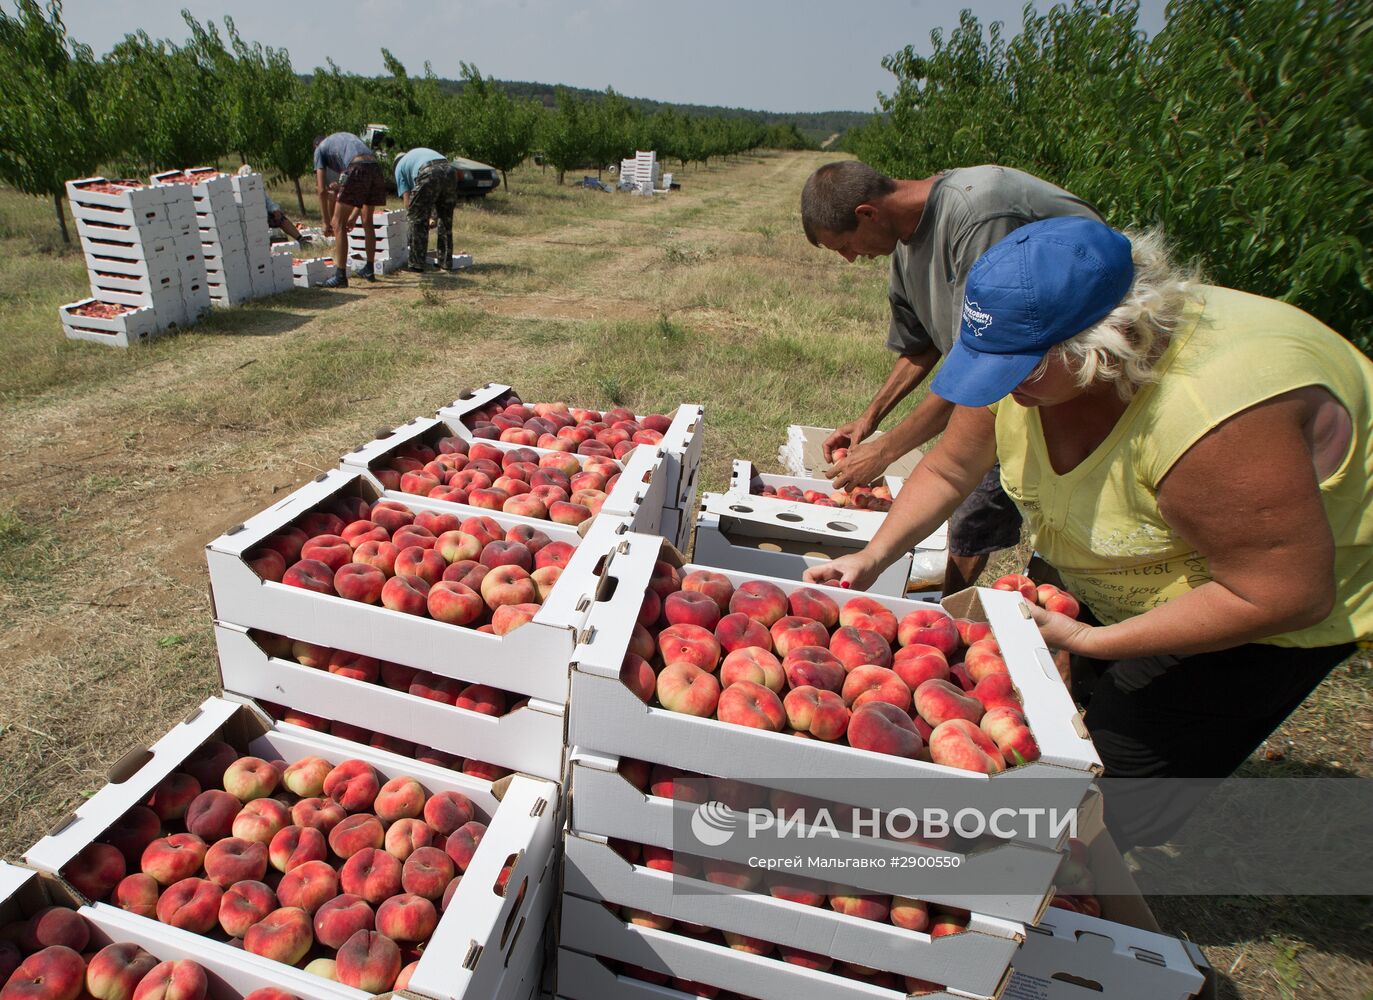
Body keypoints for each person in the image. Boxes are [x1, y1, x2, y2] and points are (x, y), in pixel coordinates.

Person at [804, 216, 1372, 848]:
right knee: (1055, 723)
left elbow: (1279, 592)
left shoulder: (1209, 419)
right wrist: (873, 555)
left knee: (1123, 771)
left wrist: (1095, 641)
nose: (1004, 387)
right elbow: (951, 465)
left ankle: (1069, 878)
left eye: (1021, 368)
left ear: (1112, 341)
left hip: (1253, 611)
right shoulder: (1030, 353)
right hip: (1129, 566)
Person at [801, 161, 1102, 594]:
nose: (851, 259)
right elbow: (921, 345)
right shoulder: (904, 241)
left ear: (868, 213)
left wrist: (886, 450)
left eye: (845, 246)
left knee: (1046, 522)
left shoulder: (979, 215)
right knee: (980, 493)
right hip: (1018, 381)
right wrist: (869, 420)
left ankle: (967, 607)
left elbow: (985, 356)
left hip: (1069, 380)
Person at [312, 132, 387, 288]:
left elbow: (321, 190)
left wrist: (326, 221)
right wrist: (353, 216)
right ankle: (369, 268)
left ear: (316, 146)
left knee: (337, 222)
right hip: (374, 166)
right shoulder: (340, 143)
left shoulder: (319, 151)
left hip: (357, 166)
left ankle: (340, 276)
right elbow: (357, 191)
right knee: (368, 221)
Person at [393, 147, 460, 273]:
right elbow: (435, 196)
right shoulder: (414, 156)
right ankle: (445, 263)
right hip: (450, 170)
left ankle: (416, 264)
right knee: (445, 219)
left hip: (428, 170)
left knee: (416, 217)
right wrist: (432, 217)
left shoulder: (399, 168)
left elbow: (408, 204)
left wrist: (419, 218)